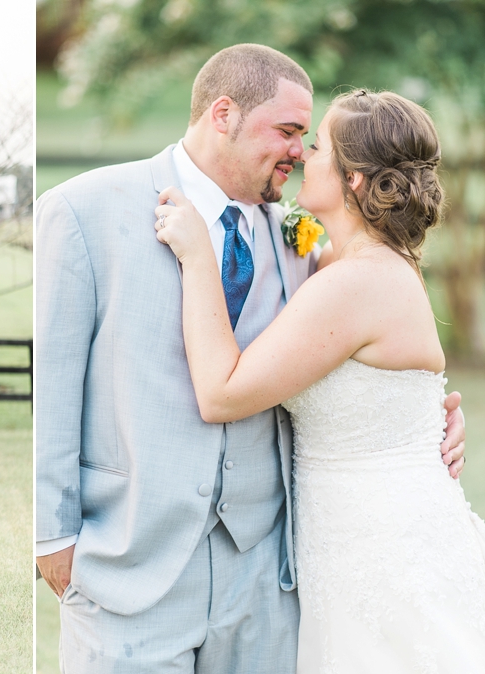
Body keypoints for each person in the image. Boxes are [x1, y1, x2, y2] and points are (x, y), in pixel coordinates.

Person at [35, 44, 467, 673]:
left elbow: (366, 346)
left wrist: (427, 418)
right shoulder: (82, 210)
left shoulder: (304, 239)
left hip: (269, 577)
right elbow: (53, 378)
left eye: (310, 140)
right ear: (223, 114)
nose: (299, 151)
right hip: (131, 563)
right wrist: (53, 533)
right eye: (291, 132)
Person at [155, 88, 485, 672]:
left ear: (355, 179)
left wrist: (199, 257)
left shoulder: (356, 280)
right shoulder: (336, 260)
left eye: (320, 146)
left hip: (384, 549)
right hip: (346, 539)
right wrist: (429, 416)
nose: (305, 154)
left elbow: (222, 393)